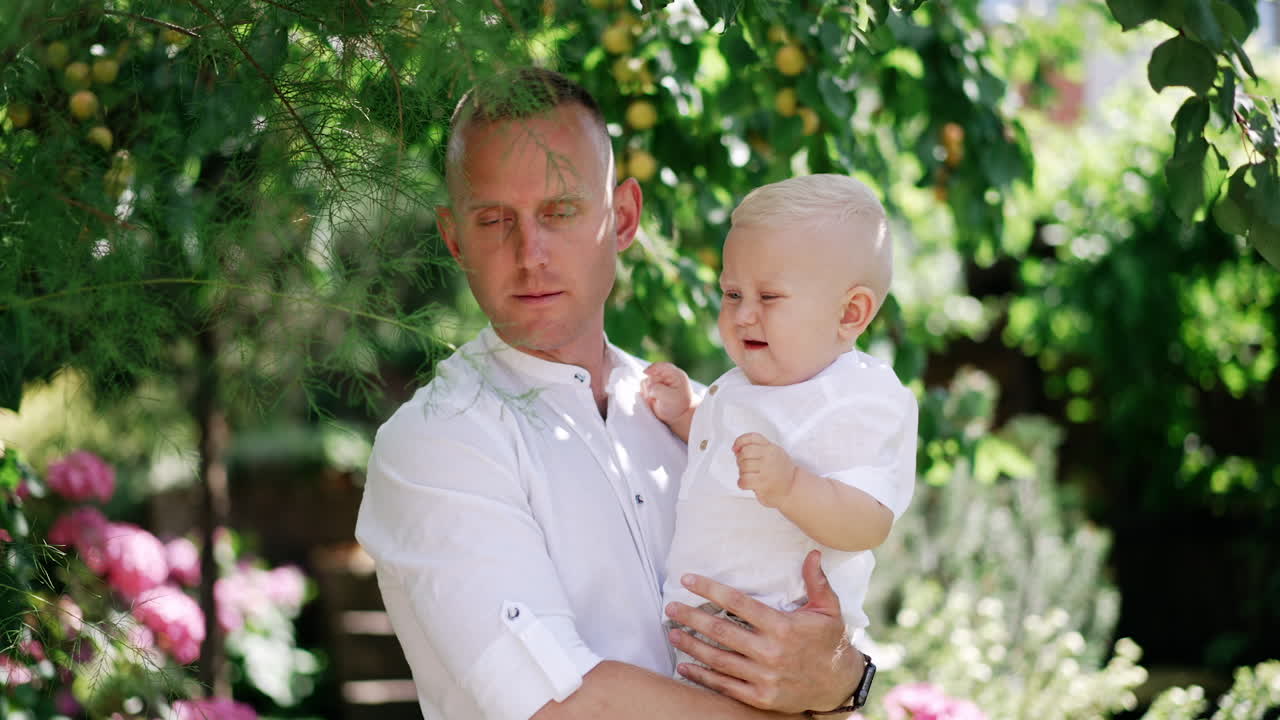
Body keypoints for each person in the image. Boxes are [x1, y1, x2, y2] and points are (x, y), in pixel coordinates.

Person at [354, 68, 871, 720]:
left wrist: (847, 679)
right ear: (455, 237)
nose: (530, 252)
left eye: (560, 211)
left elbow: (815, 627)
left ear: (622, 217)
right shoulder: (437, 441)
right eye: (494, 220)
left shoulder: (698, 416)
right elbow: (563, 708)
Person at [640, 175, 917, 680]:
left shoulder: (858, 398)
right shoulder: (751, 381)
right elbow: (727, 448)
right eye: (731, 293)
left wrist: (792, 486)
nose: (744, 314)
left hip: (777, 634)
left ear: (850, 313)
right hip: (704, 633)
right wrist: (686, 412)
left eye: (768, 297)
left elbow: (870, 521)